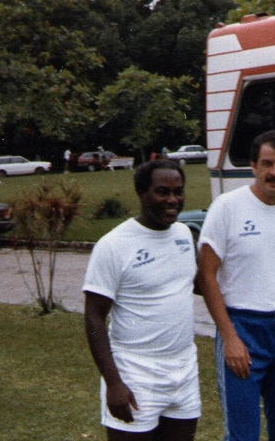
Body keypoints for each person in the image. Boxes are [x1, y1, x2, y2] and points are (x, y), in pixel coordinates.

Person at [196, 130, 275, 441]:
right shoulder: (227, 206)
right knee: (243, 434)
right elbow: (206, 275)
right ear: (252, 166)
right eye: (267, 163)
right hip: (243, 328)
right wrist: (230, 337)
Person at [83, 159, 201, 441]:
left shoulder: (185, 235)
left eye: (178, 192)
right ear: (141, 193)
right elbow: (93, 316)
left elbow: (196, 285)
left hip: (183, 371)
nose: (172, 200)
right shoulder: (114, 245)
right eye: (162, 192)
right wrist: (113, 383)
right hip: (135, 373)